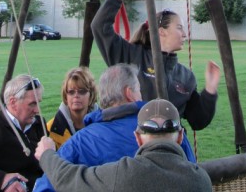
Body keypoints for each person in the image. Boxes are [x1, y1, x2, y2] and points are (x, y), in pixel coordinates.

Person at [32, 64, 195, 192]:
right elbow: (193, 171)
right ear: (129, 93)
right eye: (139, 89)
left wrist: (48, 156)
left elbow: (45, 187)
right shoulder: (170, 131)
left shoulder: (80, 142)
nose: (141, 95)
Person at [91, 0, 220, 130]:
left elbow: (198, 121)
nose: (184, 35)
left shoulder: (186, 76)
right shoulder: (131, 56)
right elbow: (99, 26)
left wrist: (210, 89)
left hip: (170, 146)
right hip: (132, 142)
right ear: (161, 31)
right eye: (179, 28)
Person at [35, 98, 212, 192]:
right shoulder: (201, 180)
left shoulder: (123, 174)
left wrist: (47, 154)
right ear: (180, 136)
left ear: (138, 137)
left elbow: (69, 178)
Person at [47, 66, 97, 149]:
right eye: (71, 92)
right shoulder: (50, 129)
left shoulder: (104, 124)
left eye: (82, 91)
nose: (76, 95)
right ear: (65, 97)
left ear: (91, 95)